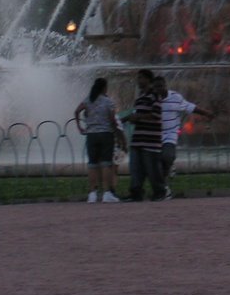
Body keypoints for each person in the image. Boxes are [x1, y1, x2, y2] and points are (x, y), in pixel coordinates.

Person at [154, 76, 214, 200]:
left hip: (170, 134)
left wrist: (206, 113)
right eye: (156, 87)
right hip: (155, 135)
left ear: (165, 85)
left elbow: (190, 107)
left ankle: (165, 183)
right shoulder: (153, 99)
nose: (158, 89)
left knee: (167, 156)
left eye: (160, 86)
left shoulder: (175, 97)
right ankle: (164, 188)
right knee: (157, 164)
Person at [74, 77, 121, 203]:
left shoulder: (88, 100)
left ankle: (92, 193)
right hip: (106, 134)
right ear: (104, 88)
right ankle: (106, 193)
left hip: (91, 135)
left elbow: (77, 111)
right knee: (106, 163)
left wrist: (79, 127)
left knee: (92, 164)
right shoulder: (108, 102)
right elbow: (112, 120)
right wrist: (117, 133)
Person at [120, 69, 163, 201]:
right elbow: (139, 115)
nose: (138, 81)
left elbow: (156, 115)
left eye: (141, 78)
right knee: (135, 168)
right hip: (138, 138)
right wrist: (128, 118)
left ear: (148, 80)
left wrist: (137, 117)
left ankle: (159, 192)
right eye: (138, 78)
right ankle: (136, 193)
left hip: (150, 139)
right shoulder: (140, 97)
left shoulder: (154, 95)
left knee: (152, 169)